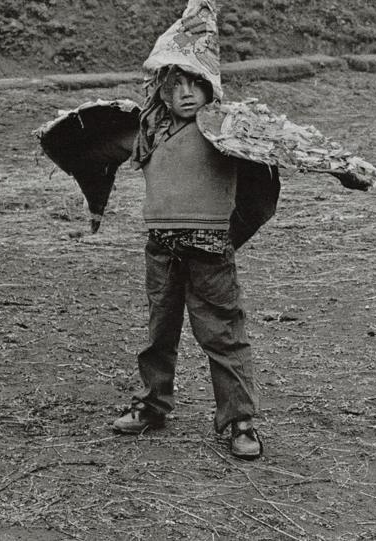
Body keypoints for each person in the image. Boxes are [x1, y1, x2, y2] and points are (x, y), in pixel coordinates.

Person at [110, 63, 263, 460]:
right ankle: (152, 403)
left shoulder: (227, 128)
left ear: (211, 87)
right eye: (175, 85)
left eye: (197, 83)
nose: (187, 93)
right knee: (159, 330)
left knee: (223, 334)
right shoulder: (151, 129)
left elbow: (265, 182)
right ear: (161, 91)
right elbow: (110, 150)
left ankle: (239, 420)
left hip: (210, 253)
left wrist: (229, 236)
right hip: (161, 247)